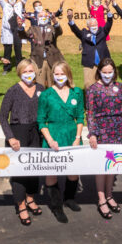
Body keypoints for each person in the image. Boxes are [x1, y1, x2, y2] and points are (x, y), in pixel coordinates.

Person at [0, 58, 44, 226]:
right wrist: (10, 137)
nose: (28, 74)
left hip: (36, 133)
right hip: (18, 133)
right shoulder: (13, 91)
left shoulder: (40, 88)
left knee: (34, 168)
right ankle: (21, 205)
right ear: (19, 73)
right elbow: (3, 117)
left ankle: (31, 198)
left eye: (31, 71)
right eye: (25, 71)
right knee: (19, 171)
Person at [37, 61, 84, 224]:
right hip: (54, 137)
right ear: (52, 76)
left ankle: (69, 198)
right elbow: (41, 121)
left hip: (72, 137)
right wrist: (50, 140)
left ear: (68, 74)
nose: (59, 77)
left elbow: (80, 117)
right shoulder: (46, 95)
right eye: (56, 74)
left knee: (73, 172)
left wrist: (77, 138)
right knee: (52, 173)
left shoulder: (77, 92)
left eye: (62, 73)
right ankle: (57, 207)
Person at [86, 58, 122, 219]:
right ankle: (101, 199)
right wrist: (92, 133)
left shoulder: (119, 87)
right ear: (99, 72)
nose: (107, 75)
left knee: (113, 164)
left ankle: (110, 194)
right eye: (104, 72)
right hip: (101, 130)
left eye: (110, 72)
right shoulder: (93, 89)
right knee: (101, 166)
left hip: (117, 129)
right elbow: (90, 113)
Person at [67, 0, 114, 88]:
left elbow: (109, 22)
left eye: (95, 25)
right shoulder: (84, 33)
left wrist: (108, 11)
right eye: (92, 25)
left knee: (105, 84)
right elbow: (75, 30)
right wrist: (70, 20)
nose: (94, 27)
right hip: (89, 63)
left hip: (103, 62)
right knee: (89, 85)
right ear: (88, 26)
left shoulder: (103, 31)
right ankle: (90, 101)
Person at [20, 9, 64, 87]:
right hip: (38, 60)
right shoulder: (33, 28)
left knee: (53, 84)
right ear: (37, 18)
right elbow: (24, 36)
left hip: (52, 60)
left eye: (45, 16)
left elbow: (59, 32)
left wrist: (55, 22)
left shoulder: (52, 28)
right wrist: (20, 28)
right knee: (40, 85)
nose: (43, 17)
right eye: (41, 16)